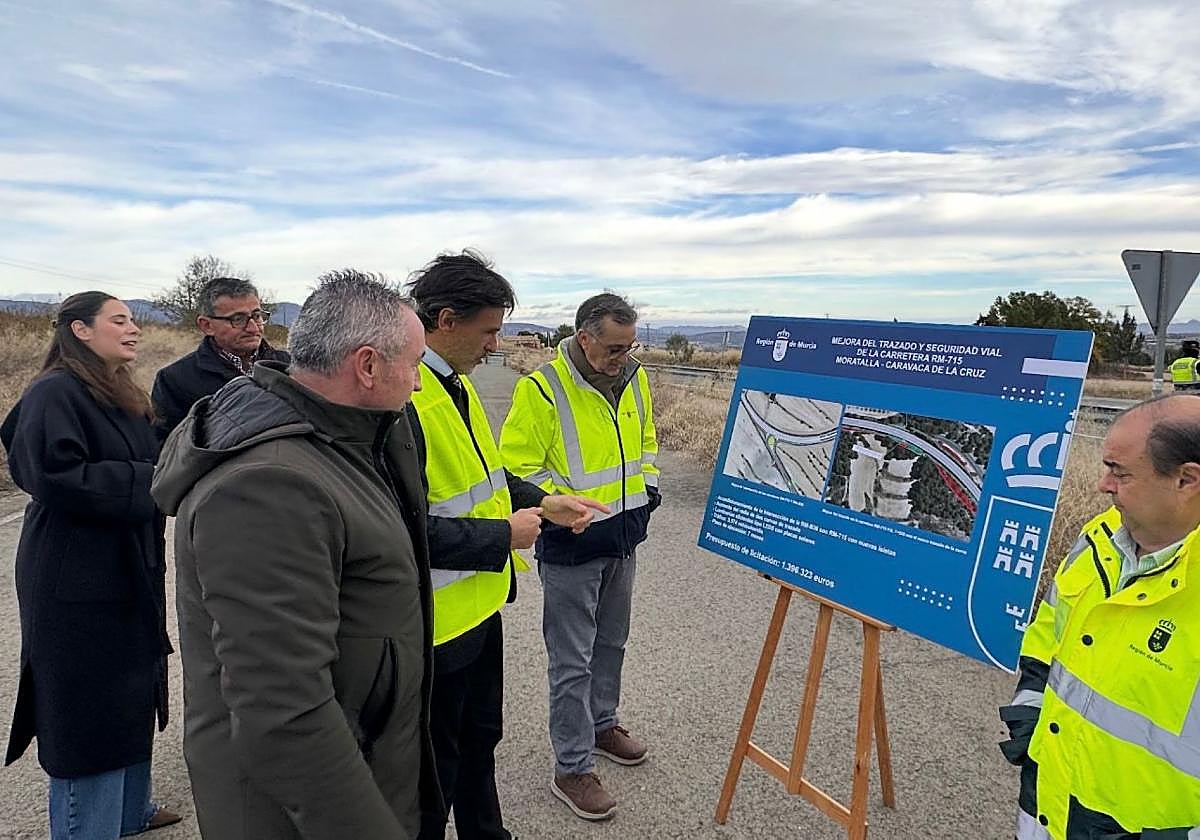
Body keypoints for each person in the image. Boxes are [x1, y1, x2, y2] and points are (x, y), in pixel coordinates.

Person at [151, 271, 440, 840]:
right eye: (414, 364)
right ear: (367, 366)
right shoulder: (270, 485)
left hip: (362, 756)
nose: (420, 384)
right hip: (293, 813)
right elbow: (283, 708)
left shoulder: (349, 437)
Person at [405, 251, 607, 840]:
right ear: (446, 320)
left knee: (478, 741)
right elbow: (400, 528)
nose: (496, 345)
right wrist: (503, 536)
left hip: (479, 610)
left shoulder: (454, 388)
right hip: (436, 626)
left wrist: (544, 502)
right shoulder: (409, 401)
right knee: (433, 768)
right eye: (489, 330)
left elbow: (487, 476)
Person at [1, 291, 179, 839]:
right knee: (87, 706)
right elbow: (49, 473)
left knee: (130, 690)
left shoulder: (119, 390)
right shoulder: (55, 391)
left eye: (133, 320)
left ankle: (129, 813)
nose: (133, 329)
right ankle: (86, 829)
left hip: (127, 561)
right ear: (80, 330)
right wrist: (151, 481)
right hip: (74, 569)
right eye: (119, 320)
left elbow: (155, 452)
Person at [1000, 394, 1200, 838]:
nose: (1102, 485)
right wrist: (1028, 713)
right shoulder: (1098, 541)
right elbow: (1047, 632)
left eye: (1120, 472)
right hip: (1047, 806)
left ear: (1186, 481)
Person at [500, 292, 660, 821]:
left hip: (623, 538)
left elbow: (647, 445)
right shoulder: (542, 389)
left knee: (612, 641)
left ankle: (602, 725)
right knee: (572, 661)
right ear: (584, 337)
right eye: (614, 348)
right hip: (572, 548)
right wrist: (558, 508)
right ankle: (571, 767)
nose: (623, 357)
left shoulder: (634, 378)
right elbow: (516, 469)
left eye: (629, 346)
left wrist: (649, 495)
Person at [151, 275, 290, 440]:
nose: (253, 328)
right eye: (238, 319)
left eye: (257, 316)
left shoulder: (289, 366)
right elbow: (167, 448)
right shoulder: (175, 380)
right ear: (207, 325)